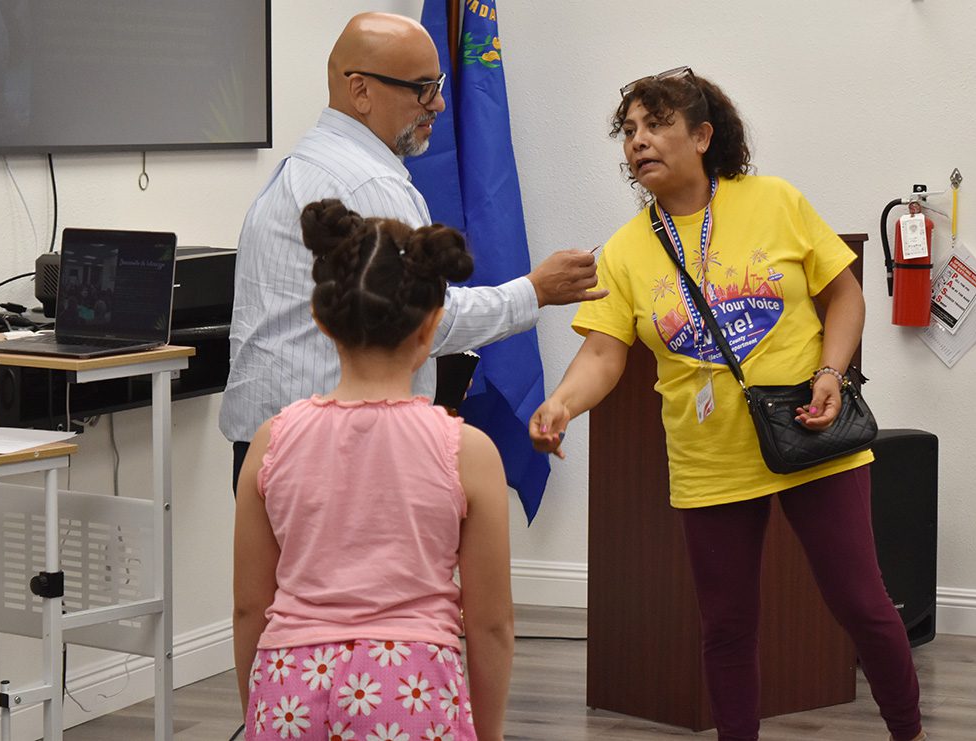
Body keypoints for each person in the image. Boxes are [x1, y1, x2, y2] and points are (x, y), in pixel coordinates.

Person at [529, 68, 925, 741]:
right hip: (709, 456)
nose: (638, 141)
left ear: (703, 136)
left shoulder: (775, 201)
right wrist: (562, 403)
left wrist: (833, 371)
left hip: (812, 431)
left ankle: (909, 732)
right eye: (629, 130)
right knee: (727, 626)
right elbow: (601, 354)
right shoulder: (625, 251)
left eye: (657, 125)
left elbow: (845, 294)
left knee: (861, 603)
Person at [220, 12, 604, 489]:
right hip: (334, 458)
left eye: (437, 85)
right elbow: (418, 319)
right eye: (422, 88)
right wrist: (534, 291)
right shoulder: (367, 183)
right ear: (361, 90)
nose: (439, 103)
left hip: (279, 448)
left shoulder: (305, 164)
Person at [234, 199, 513, 740]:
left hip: (290, 684)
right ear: (432, 326)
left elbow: (250, 608)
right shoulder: (467, 452)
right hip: (410, 689)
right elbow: (491, 623)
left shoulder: (270, 441)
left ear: (321, 319)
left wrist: (261, 712)